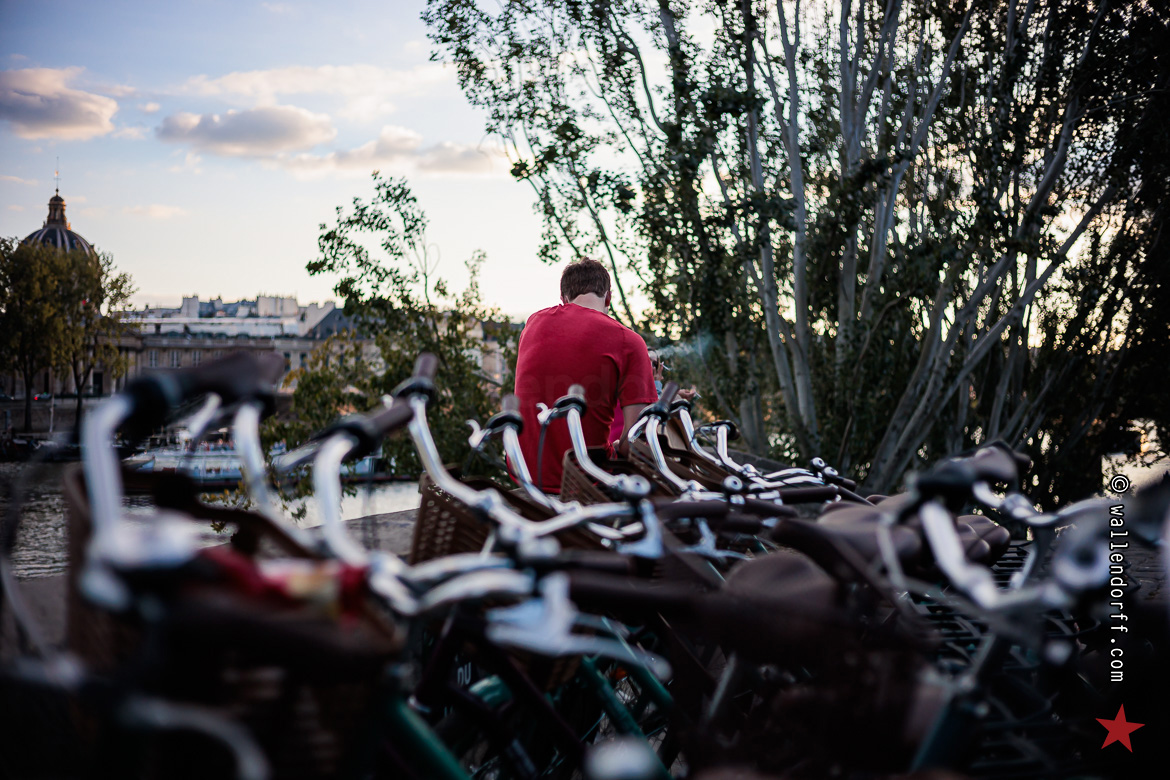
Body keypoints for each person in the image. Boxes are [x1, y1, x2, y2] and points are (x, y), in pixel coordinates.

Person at [513, 258, 658, 492]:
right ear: (608, 298)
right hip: (586, 479)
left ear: (564, 298)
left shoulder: (532, 323)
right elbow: (635, 442)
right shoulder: (628, 341)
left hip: (524, 474)